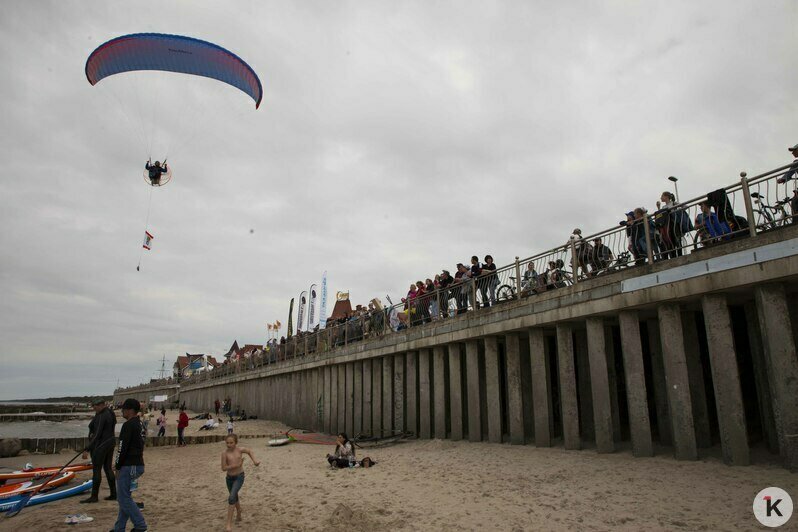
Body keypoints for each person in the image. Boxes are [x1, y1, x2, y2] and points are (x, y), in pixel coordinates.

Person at [113, 398, 147, 532]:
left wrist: (117, 466)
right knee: (124, 498)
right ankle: (119, 528)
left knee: (123, 498)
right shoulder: (139, 424)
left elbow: (122, 448)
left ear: (131, 410)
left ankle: (140, 525)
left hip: (129, 465)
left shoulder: (128, 425)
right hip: (137, 464)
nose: (122, 411)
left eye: (124, 409)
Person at [221, 433, 260, 532]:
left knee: (231, 497)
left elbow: (249, 451)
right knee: (234, 496)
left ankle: (228, 523)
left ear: (236, 443)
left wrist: (255, 461)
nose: (229, 445)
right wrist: (236, 465)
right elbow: (223, 468)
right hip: (229, 478)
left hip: (239, 477)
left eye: (231, 443)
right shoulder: (224, 453)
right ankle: (239, 511)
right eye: (227, 443)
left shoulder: (239, 450)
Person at [81, 399, 117, 503]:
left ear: (102, 405)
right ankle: (114, 494)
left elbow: (97, 434)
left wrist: (87, 448)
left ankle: (94, 496)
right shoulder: (110, 413)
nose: (94, 408)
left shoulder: (102, 415)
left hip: (101, 445)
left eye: (95, 406)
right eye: (93, 406)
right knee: (108, 468)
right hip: (110, 442)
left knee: (97, 470)